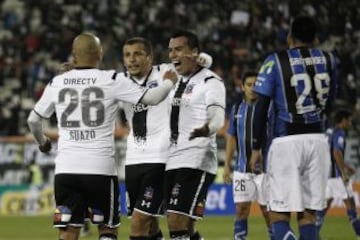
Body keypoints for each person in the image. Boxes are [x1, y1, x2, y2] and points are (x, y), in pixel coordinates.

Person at [27, 32, 178, 240]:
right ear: (100, 53)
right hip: (100, 169)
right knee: (107, 229)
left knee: (68, 232)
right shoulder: (112, 79)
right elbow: (152, 98)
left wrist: (43, 143)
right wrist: (169, 83)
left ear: (73, 54)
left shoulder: (57, 82)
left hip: (66, 169)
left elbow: (33, 121)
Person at [249, 15, 337, 240]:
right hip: (318, 140)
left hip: (286, 140)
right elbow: (332, 100)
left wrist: (256, 147)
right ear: (315, 38)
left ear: (289, 37)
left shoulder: (276, 60)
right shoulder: (329, 59)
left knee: (279, 212)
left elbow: (261, 106)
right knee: (308, 214)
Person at [122, 37, 212, 240]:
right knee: (151, 225)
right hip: (133, 161)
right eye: (127, 55)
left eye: (137, 54)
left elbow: (205, 60)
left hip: (160, 159)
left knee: (139, 223)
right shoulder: (120, 82)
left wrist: (195, 58)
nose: (132, 60)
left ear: (149, 57)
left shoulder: (165, 71)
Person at [164, 30, 226, 240]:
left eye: (179, 49)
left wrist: (208, 128)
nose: (173, 55)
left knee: (175, 219)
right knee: (186, 224)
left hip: (196, 157)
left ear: (194, 52)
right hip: (172, 157)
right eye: (171, 50)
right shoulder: (174, 80)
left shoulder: (211, 81)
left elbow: (217, 116)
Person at [223, 71, 274, 240]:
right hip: (242, 169)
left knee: (268, 211)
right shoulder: (236, 109)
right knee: (241, 209)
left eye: (255, 85)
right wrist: (227, 166)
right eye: (249, 85)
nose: (252, 88)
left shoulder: (269, 108)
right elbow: (231, 138)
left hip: (265, 170)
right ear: (242, 87)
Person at [316, 109, 360, 238]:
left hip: (326, 176)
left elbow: (330, 154)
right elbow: (336, 152)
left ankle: (313, 234)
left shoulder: (329, 132)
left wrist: (346, 166)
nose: (350, 122)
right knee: (351, 205)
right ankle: (359, 233)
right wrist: (344, 172)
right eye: (349, 120)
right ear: (344, 120)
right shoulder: (340, 133)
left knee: (323, 207)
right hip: (337, 177)